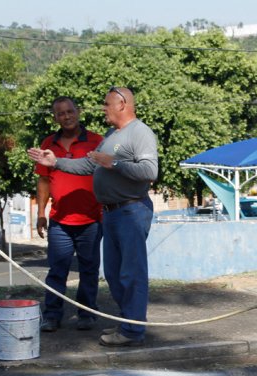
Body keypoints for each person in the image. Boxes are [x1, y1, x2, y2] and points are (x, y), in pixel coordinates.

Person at [27, 87, 158, 347]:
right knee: (112, 273)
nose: (103, 109)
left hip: (130, 211)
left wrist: (115, 163)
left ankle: (133, 331)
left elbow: (150, 170)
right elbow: (89, 164)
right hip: (111, 213)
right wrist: (56, 163)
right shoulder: (112, 134)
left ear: (122, 104)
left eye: (107, 104)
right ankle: (127, 322)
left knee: (131, 274)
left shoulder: (140, 132)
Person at [34, 97, 104, 333]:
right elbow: (43, 180)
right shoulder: (48, 144)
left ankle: (87, 314)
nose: (66, 116)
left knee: (89, 270)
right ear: (55, 117)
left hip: (92, 220)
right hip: (59, 221)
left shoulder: (97, 141)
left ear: (79, 112)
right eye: (60, 113)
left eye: (70, 111)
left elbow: (107, 176)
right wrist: (40, 213)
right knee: (57, 270)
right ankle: (52, 315)